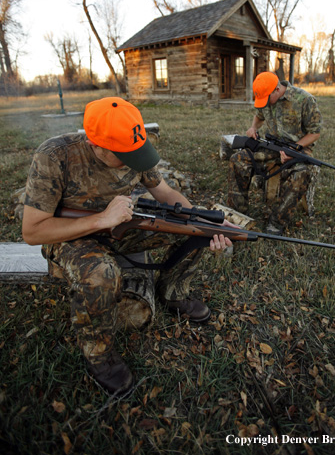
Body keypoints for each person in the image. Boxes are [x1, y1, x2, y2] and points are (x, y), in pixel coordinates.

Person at [22, 97, 232, 396]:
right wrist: (100, 220)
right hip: (69, 236)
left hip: (119, 224)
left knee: (192, 232)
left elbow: (163, 191)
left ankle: (173, 294)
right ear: (97, 146)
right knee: (101, 274)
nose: (135, 160)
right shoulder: (55, 155)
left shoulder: (133, 149)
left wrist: (200, 220)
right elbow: (32, 230)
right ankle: (99, 354)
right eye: (125, 155)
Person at [227, 72, 322, 234]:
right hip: (272, 146)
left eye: (266, 99)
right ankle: (238, 213)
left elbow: (315, 132)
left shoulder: (304, 100)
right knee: (238, 159)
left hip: (298, 149)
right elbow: (259, 116)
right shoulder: (266, 99)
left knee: (302, 174)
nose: (264, 104)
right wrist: (253, 128)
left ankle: (277, 222)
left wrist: (295, 148)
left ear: (277, 90)